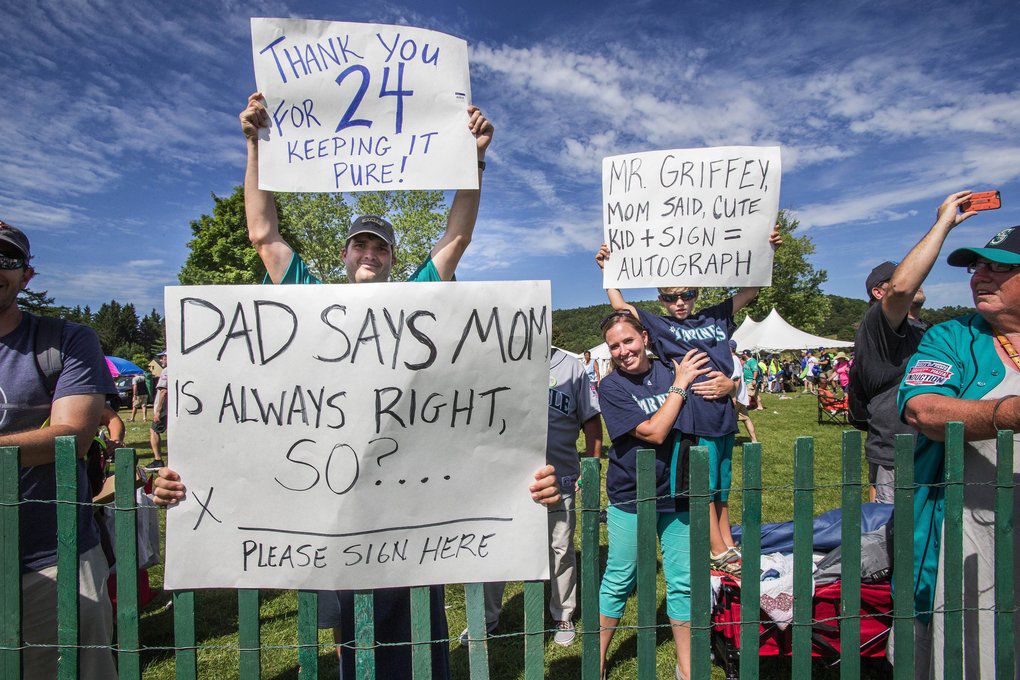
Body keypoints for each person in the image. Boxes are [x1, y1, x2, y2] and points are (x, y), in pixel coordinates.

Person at [153, 91, 562, 680]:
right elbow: (264, 236)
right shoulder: (311, 304)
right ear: (345, 254)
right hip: (333, 507)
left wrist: (473, 162)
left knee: (420, 642)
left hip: (409, 501)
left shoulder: (415, 299)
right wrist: (253, 145)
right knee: (354, 648)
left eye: (380, 246)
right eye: (360, 243)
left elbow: (456, 240)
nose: (369, 252)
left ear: (392, 259)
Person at [595, 226, 781, 571]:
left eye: (686, 294)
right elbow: (621, 307)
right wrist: (609, 269)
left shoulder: (716, 315)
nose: (679, 302)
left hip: (723, 416)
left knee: (722, 488)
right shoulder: (660, 325)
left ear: (697, 293)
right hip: (694, 419)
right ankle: (716, 549)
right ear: (660, 299)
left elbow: (752, 289)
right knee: (703, 487)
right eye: (670, 297)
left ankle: (727, 542)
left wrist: (766, 249)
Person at [899, 223, 1020, 678]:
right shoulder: (951, 337)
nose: (979, 276)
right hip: (972, 537)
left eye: (1000, 266)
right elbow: (923, 409)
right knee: (973, 650)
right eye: (977, 266)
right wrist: (1009, 414)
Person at [0, 220, 117, 678]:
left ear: (26, 275)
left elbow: (72, 436)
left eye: (6, 258)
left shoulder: (64, 340)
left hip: (51, 558)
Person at [595, 311, 710, 680]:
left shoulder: (670, 368)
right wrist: (679, 388)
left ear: (644, 337)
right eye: (614, 346)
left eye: (628, 340)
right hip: (632, 496)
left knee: (683, 581)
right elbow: (655, 432)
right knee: (620, 575)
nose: (623, 351)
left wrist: (727, 386)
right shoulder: (611, 388)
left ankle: (687, 666)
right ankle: (595, 658)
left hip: (678, 493)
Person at [850, 192, 977, 504]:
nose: (919, 279)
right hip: (899, 452)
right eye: (903, 274)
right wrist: (943, 226)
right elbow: (903, 287)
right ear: (880, 291)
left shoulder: (928, 331)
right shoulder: (877, 325)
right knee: (893, 538)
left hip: (938, 448)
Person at [473, 347, 603, 647]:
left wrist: (590, 463)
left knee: (560, 546)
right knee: (496, 545)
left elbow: (591, 421)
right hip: (506, 478)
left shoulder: (571, 367)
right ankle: (486, 618)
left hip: (560, 476)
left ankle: (563, 613)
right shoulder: (499, 358)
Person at [731, 342, 758, 444]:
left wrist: (733, 395)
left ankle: (728, 441)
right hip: (740, 395)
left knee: (729, 418)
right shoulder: (737, 360)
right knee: (745, 418)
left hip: (736, 395)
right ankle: (754, 440)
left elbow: (736, 379)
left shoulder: (733, 360)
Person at [147, 352, 168, 471]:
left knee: (154, 430)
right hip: (171, 408)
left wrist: (158, 411)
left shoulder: (166, 371)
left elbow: (163, 391)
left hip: (164, 408)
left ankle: (158, 459)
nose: (161, 360)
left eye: (163, 357)